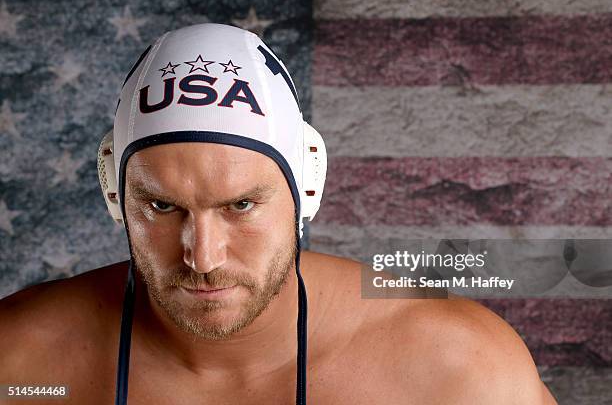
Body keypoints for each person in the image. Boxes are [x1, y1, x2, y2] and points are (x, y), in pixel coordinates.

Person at [0, 23, 557, 404]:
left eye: (241, 205)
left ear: (306, 187)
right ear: (115, 193)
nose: (202, 256)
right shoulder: (20, 363)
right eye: (163, 206)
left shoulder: (454, 369)